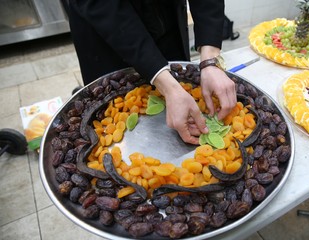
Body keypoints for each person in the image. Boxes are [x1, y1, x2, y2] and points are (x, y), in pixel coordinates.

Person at [66, 0, 236, 145]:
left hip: (165, 13)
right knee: (107, 110)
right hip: (107, 25)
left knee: (181, 85)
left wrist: (210, 58)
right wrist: (169, 87)